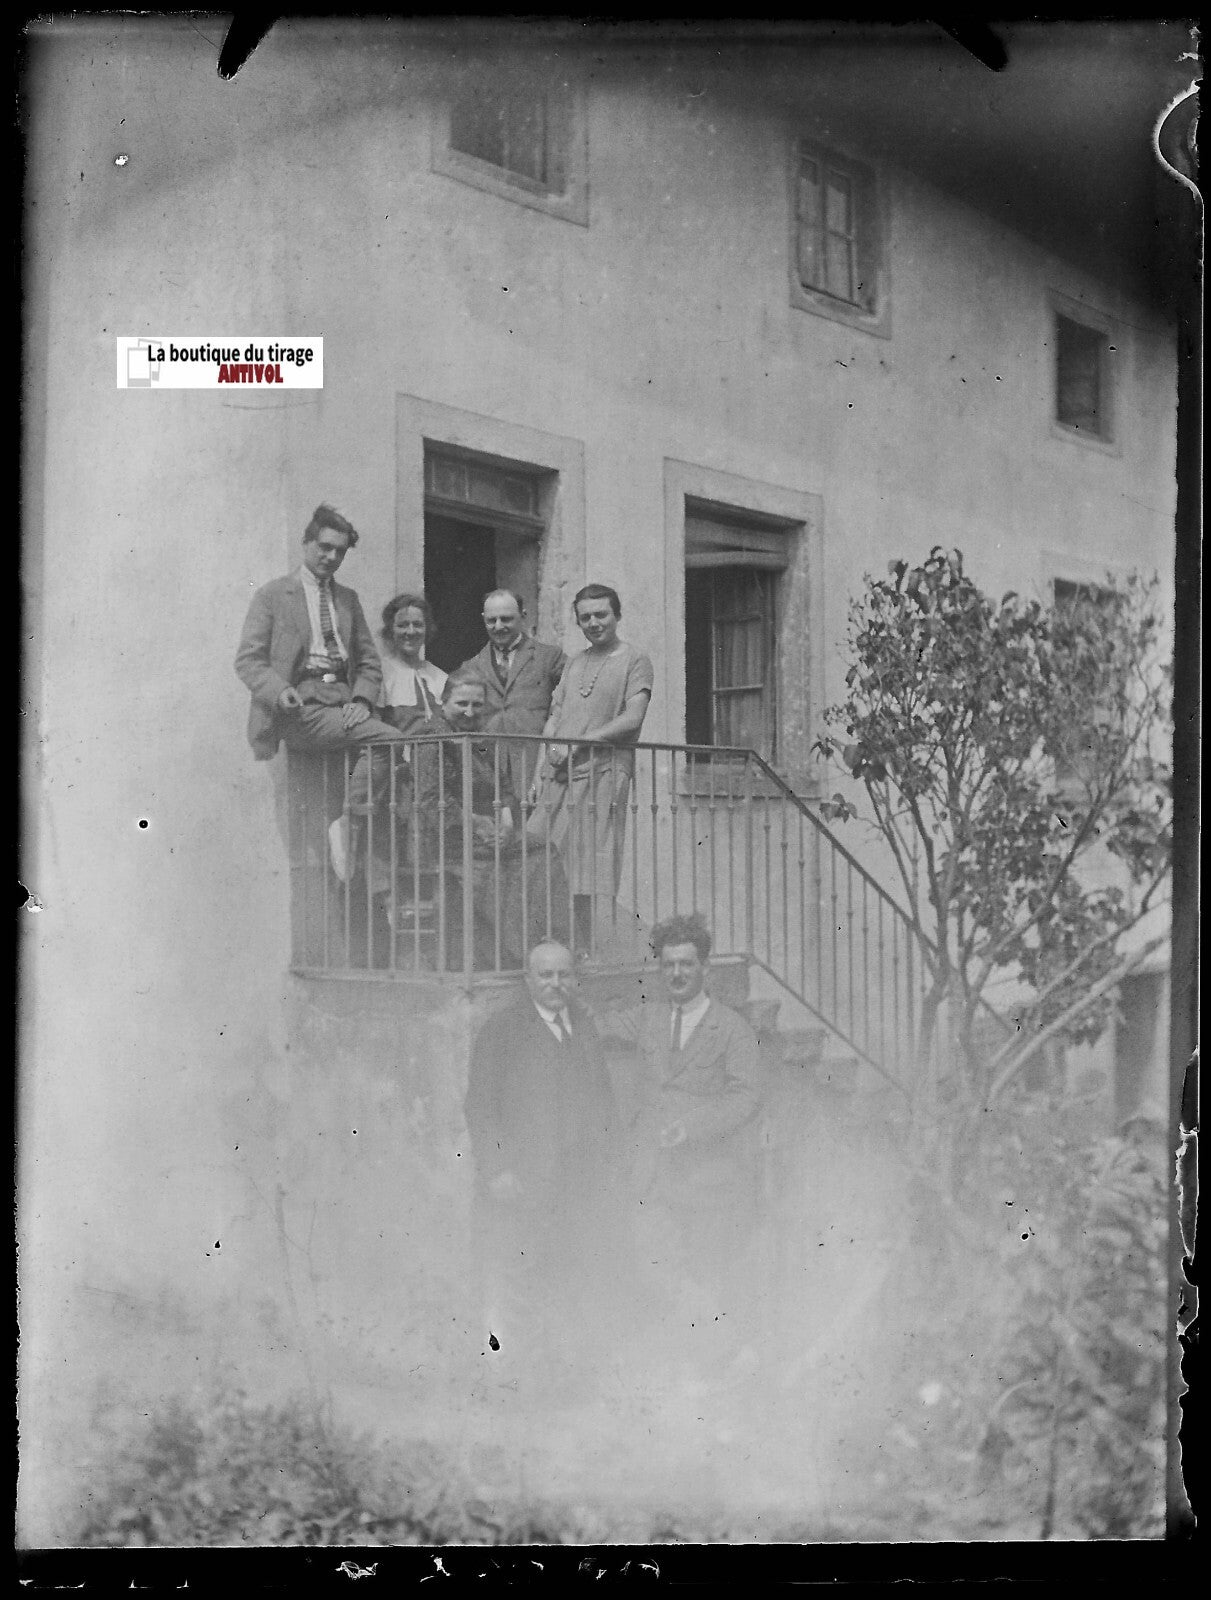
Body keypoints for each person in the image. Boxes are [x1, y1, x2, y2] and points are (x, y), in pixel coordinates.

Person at [598, 912, 763, 1372]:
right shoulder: (648, 1017)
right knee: (654, 1266)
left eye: (686, 964)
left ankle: (714, 1365)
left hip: (705, 1177)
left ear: (704, 968)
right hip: (650, 1175)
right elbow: (597, 1025)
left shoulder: (732, 1029)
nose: (676, 973)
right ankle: (726, 1354)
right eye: (668, 964)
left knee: (703, 1272)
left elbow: (746, 1097)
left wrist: (692, 1127)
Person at [464, 940, 626, 1392]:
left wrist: (610, 1161)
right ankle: (508, 1381)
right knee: (514, 1278)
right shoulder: (502, 1030)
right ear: (528, 979)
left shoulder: (582, 1027)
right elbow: (480, 1105)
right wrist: (496, 1168)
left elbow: (602, 1100)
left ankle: (556, 1380)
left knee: (566, 1275)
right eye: (545, 975)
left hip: (573, 1185)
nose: (556, 984)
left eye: (563, 975)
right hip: (520, 1183)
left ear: (574, 978)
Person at [234, 504, 404, 878]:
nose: (331, 557)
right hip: (300, 706)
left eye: (339, 551)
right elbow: (248, 659)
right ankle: (349, 823)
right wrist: (279, 691)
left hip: (342, 701)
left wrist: (362, 699)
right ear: (306, 543)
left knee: (385, 748)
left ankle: (348, 824)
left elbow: (369, 661)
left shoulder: (348, 599)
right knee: (388, 740)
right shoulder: (274, 595)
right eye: (324, 547)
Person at [411, 673, 570, 969]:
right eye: (462, 704)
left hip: (486, 834)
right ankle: (513, 957)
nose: (469, 712)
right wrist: (479, 825)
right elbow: (432, 799)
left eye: (477, 705)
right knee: (505, 868)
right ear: (444, 702)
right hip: (448, 836)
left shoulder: (481, 740)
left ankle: (554, 947)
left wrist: (506, 824)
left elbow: (504, 787)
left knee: (542, 852)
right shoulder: (432, 737)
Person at [528, 584, 653, 954]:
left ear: (617, 615)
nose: (594, 623)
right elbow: (554, 718)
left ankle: (581, 951)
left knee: (583, 870)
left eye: (601, 614)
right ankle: (546, 947)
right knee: (535, 852)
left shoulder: (635, 660)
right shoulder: (575, 663)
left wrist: (579, 743)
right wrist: (539, 768)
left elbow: (633, 718)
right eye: (585, 617)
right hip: (560, 773)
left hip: (603, 772)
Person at [376, 592, 447, 732]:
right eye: (402, 625)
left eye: (418, 625)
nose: (411, 632)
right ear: (390, 630)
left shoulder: (440, 676)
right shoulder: (380, 674)